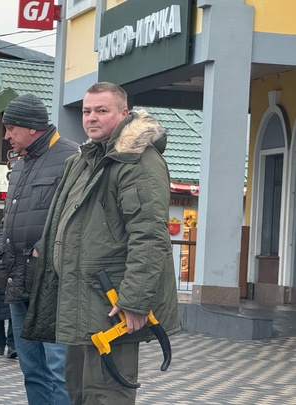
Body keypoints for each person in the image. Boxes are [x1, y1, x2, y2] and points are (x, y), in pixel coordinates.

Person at [22, 82, 181, 405]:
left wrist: (135, 301)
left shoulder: (137, 162)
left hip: (112, 305)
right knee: (79, 394)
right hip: (78, 302)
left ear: (124, 113)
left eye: (101, 110)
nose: (91, 118)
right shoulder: (81, 161)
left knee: (106, 395)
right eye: (86, 111)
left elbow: (149, 236)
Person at [0, 93, 78, 404]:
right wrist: (0, 257)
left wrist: (44, 251)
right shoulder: (19, 165)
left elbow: (78, 219)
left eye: (10, 128)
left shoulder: (72, 158)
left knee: (58, 371)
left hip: (52, 287)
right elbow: (8, 221)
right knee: (32, 370)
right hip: (17, 283)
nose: (6, 136)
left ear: (31, 128)